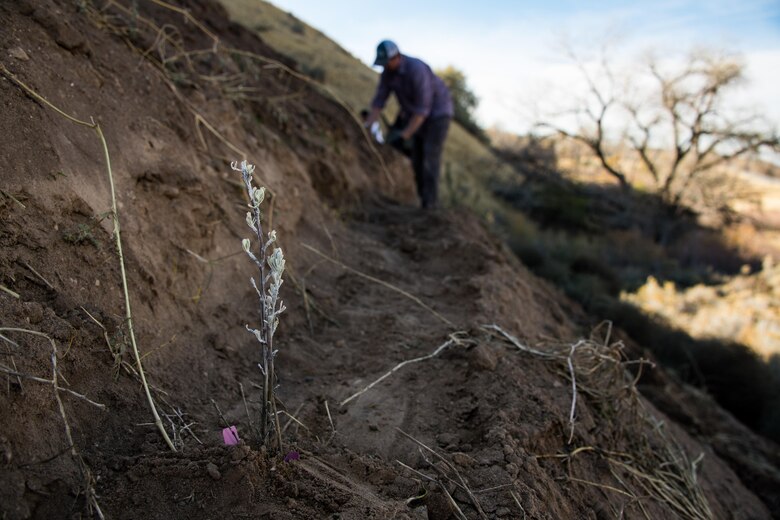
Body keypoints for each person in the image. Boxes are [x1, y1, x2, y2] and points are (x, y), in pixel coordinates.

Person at [364, 40, 453, 209]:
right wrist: (368, 125)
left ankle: (431, 206)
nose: (385, 67)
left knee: (430, 157)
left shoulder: (416, 70)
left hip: (437, 115)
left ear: (397, 57)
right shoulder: (387, 73)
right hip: (415, 115)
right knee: (417, 159)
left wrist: (404, 135)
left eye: (387, 63)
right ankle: (423, 201)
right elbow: (379, 100)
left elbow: (423, 109)